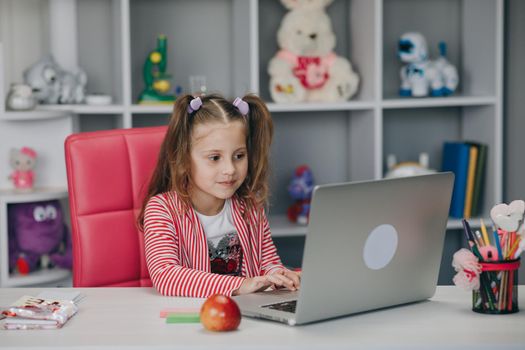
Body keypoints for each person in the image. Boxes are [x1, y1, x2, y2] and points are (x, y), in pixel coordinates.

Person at [137, 94, 301, 297]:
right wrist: (241, 285)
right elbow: (166, 276)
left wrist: (279, 275)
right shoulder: (162, 210)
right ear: (184, 159)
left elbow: (267, 262)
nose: (230, 169)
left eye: (239, 156)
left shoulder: (249, 206)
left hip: (246, 315)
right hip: (191, 317)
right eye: (215, 158)